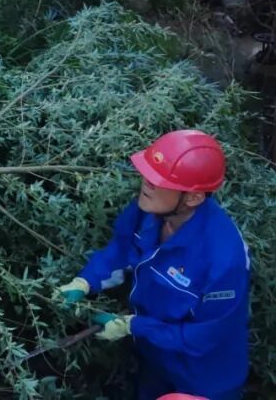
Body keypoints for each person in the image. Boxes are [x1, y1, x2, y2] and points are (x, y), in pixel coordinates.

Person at [56, 130, 251, 400]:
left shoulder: (223, 259)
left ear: (193, 198)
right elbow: (122, 250)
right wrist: (85, 282)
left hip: (202, 378)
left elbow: (204, 337)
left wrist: (135, 326)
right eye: (148, 174)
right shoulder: (149, 212)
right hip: (155, 361)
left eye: (159, 181)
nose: (146, 183)